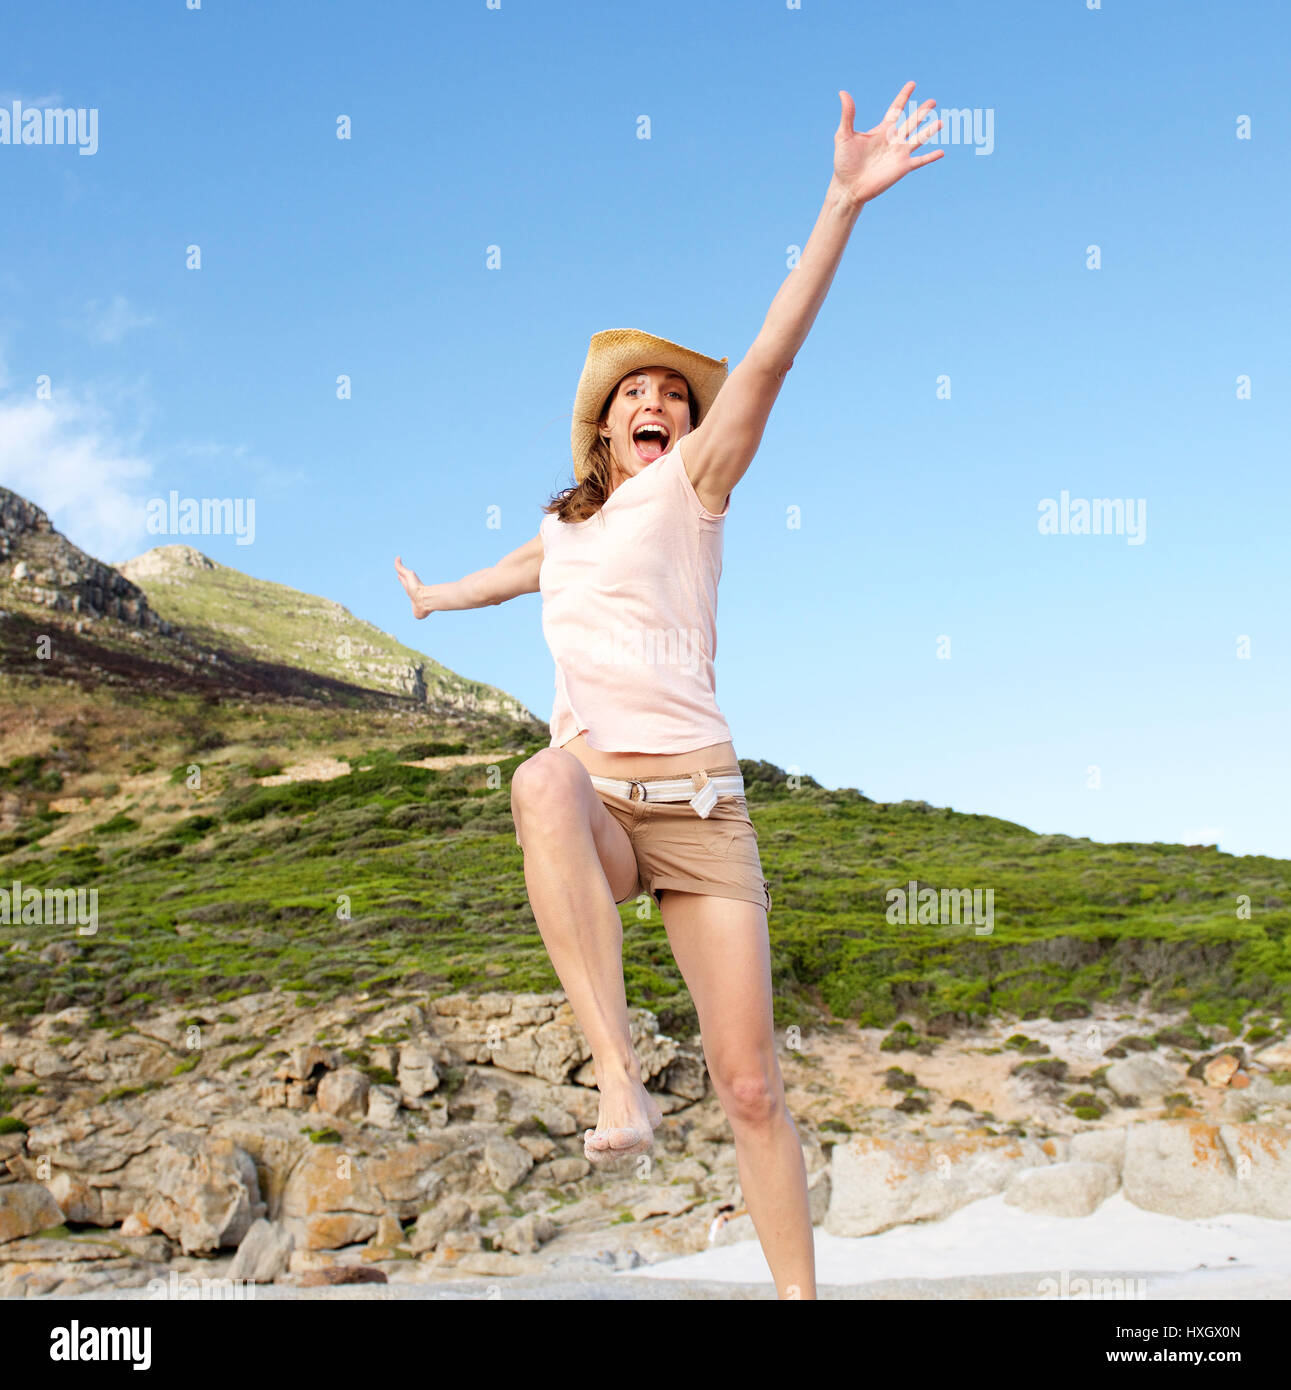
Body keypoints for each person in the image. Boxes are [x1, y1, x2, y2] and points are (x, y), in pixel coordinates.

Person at [396, 83, 943, 1301]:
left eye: (672, 396)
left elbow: (770, 353)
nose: (660, 402)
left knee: (751, 1085)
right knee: (540, 777)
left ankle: (797, 1296)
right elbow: (512, 574)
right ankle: (617, 1075)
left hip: (700, 815)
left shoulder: (693, 488)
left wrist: (840, 203)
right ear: (601, 431)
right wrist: (436, 597)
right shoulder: (565, 526)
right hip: (605, 808)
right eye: (636, 395)